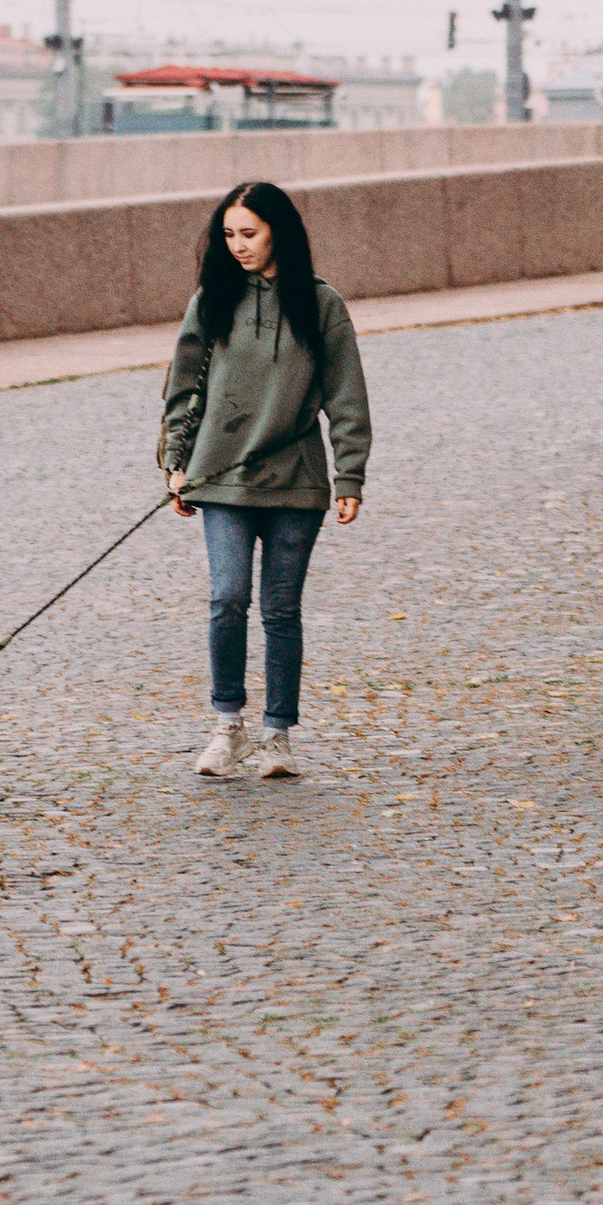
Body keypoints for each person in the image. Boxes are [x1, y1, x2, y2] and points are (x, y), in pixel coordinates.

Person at [159, 178, 370, 783]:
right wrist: (177, 462)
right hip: (220, 477)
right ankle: (228, 725)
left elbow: (347, 394)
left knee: (281, 609)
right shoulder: (212, 300)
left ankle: (277, 736)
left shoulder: (321, 303)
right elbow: (184, 386)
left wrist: (349, 474)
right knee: (228, 599)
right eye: (228, 235)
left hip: (295, 481)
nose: (237, 246)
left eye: (248, 233)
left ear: (279, 230)